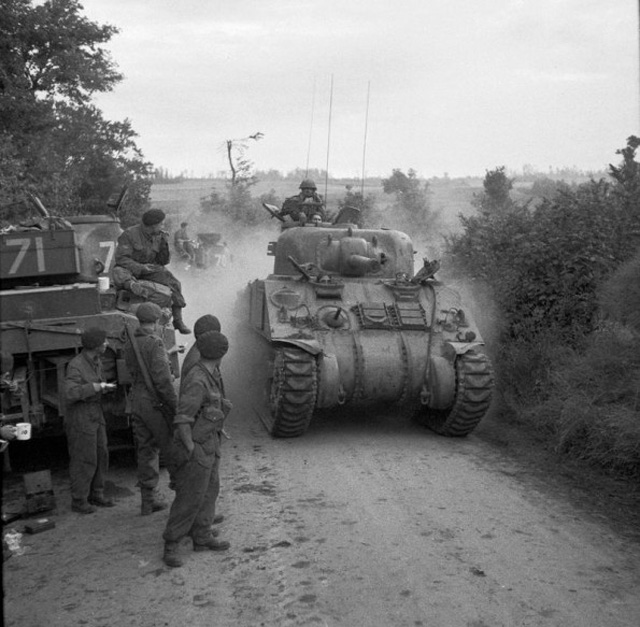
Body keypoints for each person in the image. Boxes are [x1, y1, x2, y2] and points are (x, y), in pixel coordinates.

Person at [162, 330, 232, 568]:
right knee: (190, 497)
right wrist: (191, 449)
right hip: (198, 447)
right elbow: (183, 419)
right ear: (222, 354)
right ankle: (171, 544)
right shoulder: (198, 379)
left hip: (210, 442)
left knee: (209, 491)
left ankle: (201, 537)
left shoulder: (210, 373)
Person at [124, 302, 177, 516]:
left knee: (146, 450)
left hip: (135, 400)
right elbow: (163, 381)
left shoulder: (130, 342)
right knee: (172, 449)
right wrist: (175, 406)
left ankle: (148, 501)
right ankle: (186, 498)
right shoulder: (154, 344)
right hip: (154, 403)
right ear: (155, 322)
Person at [64, 327, 116, 514]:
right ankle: (79, 500)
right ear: (95, 346)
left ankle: (97, 493)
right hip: (81, 416)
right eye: (104, 341)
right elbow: (70, 393)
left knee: (101, 454)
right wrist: (94, 387)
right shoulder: (76, 365)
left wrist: (104, 388)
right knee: (84, 458)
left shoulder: (96, 361)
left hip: (95, 413)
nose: (107, 344)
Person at [114, 208, 191, 334]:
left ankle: (178, 320)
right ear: (153, 225)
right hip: (131, 268)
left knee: (175, 283)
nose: (162, 226)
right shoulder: (129, 234)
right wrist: (140, 267)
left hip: (150, 269)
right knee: (118, 271)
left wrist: (164, 244)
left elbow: (163, 261)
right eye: (161, 224)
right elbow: (121, 258)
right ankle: (132, 284)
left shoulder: (158, 236)